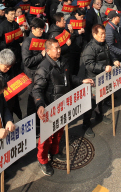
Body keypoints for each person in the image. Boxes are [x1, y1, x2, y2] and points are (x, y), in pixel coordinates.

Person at [33, 40, 94, 176]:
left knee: (60, 131)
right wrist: (40, 104)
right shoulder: (43, 68)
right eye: (56, 48)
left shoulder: (64, 61)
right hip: (50, 107)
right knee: (46, 137)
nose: (59, 50)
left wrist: (81, 81)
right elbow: (37, 89)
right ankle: (42, 160)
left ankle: (54, 152)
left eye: (59, 47)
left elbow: (69, 78)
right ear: (48, 51)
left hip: (63, 105)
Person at [81, 25, 119, 137]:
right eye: (101, 34)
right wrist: (103, 68)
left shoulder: (104, 44)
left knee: (101, 98)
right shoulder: (90, 48)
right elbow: (88, 65)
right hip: (93, 79)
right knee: (91, 103)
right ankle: (86, 125)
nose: (103, 36)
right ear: (94, 34)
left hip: (103, 78)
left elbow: (110, 54)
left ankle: (99, 116)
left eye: (104, 33)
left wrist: (115, 60)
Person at [21, 18, 46, 118]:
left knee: (41, 99)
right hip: (32, 75)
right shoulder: (27, 42)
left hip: (41, 73)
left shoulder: (42, 38)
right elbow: (27, 62)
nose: (41, 31)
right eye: (39, 29)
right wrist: (41, 55)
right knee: (32, 101)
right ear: (33, 29)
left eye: (42, 29)